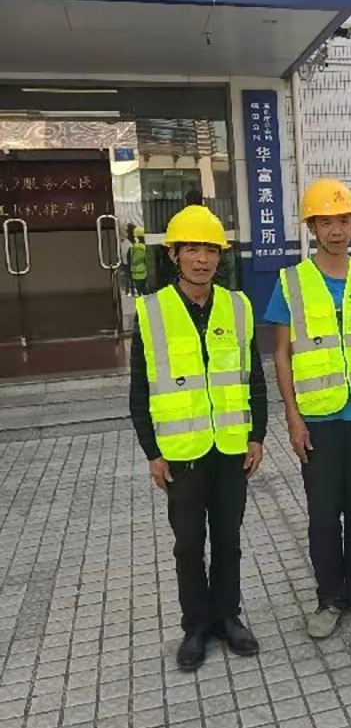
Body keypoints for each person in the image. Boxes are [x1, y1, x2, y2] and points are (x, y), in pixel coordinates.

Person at [129, 205, 267, 672]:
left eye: (210, 249)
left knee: (228, 540)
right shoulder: (152, 312)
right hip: (181, 454)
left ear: (219, 256)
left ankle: (228, 616)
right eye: (192, 249)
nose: (202, 259)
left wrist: (256, 436)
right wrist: (152, 452)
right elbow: (140, 388)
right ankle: (196, 626)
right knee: (188, 545)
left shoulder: (238, 306)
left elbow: (254, 378)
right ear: (174, 254)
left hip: (230, 449)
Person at [267, 178, 351, 639]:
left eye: (343, 220)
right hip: (319, 418)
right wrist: (292, 417)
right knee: (324, 516)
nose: (336, 230)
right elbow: (282, 354)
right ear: (312, 228)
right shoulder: (291, 283)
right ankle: (329, 597)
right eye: (325, 222)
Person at [128, 225, 148, 296]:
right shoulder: (144, 248)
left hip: (134, 272)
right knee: (145, 291)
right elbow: (146, 260)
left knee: (139, 291)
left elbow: (129, 260)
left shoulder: (132, 248)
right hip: (144, 272)